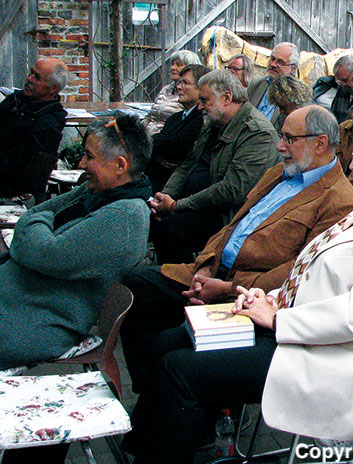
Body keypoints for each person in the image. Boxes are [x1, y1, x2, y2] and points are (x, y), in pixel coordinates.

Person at [122, 113, 353, 464]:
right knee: (172, 340)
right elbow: (311, 271)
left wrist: (277, 320)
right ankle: (147, 446)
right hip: (303, 333)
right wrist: (267, 298)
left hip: (331, 358)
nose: (350, 166)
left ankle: (160, 453)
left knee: (181, 370)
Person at [120, 105, 353, 396]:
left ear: (320, 143)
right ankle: (153, 394)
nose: (279, 145)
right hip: (214, 274)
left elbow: (298, 270)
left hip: (248, 296)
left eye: (288, 138)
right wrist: (205, 266)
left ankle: (182, 404)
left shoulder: (339, 200)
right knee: (133, 289)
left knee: (171, 345)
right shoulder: (279, 173)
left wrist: (225, 287)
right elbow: (233, 227)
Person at [0, 113, 151, 371]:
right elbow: (32, 216)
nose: (81, 164)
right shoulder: (96, 191)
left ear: (120, 165)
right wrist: (36, 225)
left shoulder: (124, 216)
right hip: (17, 303)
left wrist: (35, 225)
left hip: (29, 324)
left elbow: (43, 251)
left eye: (90, 157)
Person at [148, 69, 279, 264]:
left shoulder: (257, 133)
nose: (199, 107)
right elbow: (188, 163)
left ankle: (180, 280)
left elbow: (231, 191)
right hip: (196, 203)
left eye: (204, 100)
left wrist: (176, 206)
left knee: (168, 228)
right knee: (148, 215)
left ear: (227, 98)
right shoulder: (213, 124)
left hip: (228, 216)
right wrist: (166, 195)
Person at [0, 57, 69, 198]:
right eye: (31, 73)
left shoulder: (48, 125)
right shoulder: (16, 100)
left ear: (53, 88)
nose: (29, 79)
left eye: (36, 77)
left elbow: (23, 172)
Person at [145, 64, 210, 192]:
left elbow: (175, 147)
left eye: (185, 83)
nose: (179, 87)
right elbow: (161, 144)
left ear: (202, 88)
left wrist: (157, 145)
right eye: (179, 82)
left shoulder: (202, 119)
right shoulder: (175, 118)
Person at [142, 50, 202, 135]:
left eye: (178, 65)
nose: (172, 68)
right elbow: (149, 116)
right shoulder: (166, 89)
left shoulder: (189, 96)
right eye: (172, 64)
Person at [248, 42, 300, 121]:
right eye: (272, 59)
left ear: (293, 68)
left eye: (280, 62)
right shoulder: (256, 85)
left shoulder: (297, 95)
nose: (273, 64)